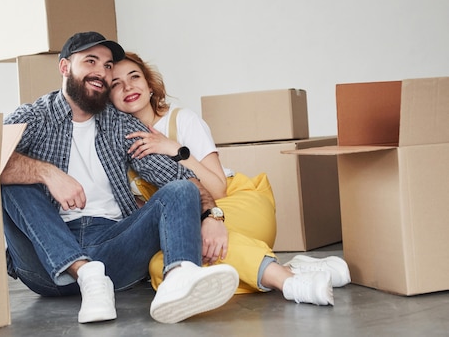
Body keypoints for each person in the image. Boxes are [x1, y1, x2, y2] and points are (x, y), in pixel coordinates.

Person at [0, 31, 240, 325]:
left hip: (112, 249)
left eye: (107, 65)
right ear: (64, 68)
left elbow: (181, 178)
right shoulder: (34, 117)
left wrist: (212, 216)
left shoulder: (120, 125)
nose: (101, 72)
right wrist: (47, 173)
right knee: (6, 177)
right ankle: (85, 272)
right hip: (44, 260)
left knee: (180, 189)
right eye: (91, 61)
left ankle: (177, 281)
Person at [109, 51, 352, 306]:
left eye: (134, 77)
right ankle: (292, 269)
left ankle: (287, 282)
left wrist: (173, 149)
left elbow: (218, 188)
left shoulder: (181, 120)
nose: (127, 87)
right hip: (192, 221)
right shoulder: (116, 145)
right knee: (164, 267)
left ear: (149, 86)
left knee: (192, 246)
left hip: (235, 204)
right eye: (116, 84)